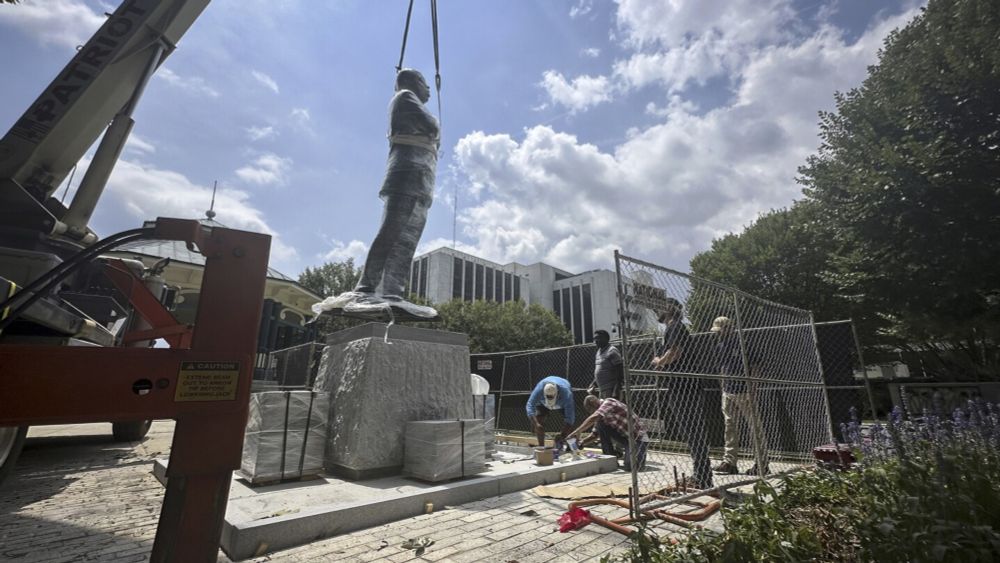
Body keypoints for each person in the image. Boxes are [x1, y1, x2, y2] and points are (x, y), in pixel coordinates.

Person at [352, 68, 440, 305]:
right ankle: (366, 288)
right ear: (414, 81)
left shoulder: (410, 99)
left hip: (421, 182)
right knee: (391, 233)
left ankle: (392, 292)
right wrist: (435, 130)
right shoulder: (404, 96)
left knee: (408, 240)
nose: (430, 90)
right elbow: (431, 125)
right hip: (405, 176)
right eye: (426, 84)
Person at [651, 298, 713, 488]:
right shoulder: (674, 328)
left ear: (668, 310)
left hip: (684, 387)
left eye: (659, 307)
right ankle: (702, 476)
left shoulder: (675, 327)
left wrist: (659, 362)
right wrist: (662, 361)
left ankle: (703, 478)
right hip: (684, 386)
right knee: (694, 433)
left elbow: (675, 352)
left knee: (694, 432)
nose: (656, 311)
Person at [709, 316, 769, 475]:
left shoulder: (744, 344)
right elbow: (721, 368)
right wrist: (723, 388)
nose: (718, 334)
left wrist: (753, 389)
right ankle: (729, 463)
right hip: (728, 391)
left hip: (744, 390)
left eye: (720, 330)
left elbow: (756, 365)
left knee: (754, 427)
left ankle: (761, 464)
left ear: (729, 328)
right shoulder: (720, 346)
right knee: (730, 427)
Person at [568, 395, 649, 471]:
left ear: (593, 402)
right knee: (601, 425)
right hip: (626, 439)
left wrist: (577, 431)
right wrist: (582, 443)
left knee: (631, 467)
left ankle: (636, 456)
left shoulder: (609, 402)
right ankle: (610, 458)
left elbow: (595, 416)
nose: (590, 412)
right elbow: (595, 435)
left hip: (638, 439)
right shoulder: (600, 416)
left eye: (590, 409)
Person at [525, 376, 576, 447]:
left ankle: (572, 447)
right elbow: (529, 406)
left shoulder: (566, 394)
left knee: (570, 427)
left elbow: (570, 418)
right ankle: (541, 447)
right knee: (538, 421)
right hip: (543, 402)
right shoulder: (539, 390)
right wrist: (536, 424)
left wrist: (562, 435)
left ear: (557, 392)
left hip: (561, 402)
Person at [588, 329, 623, 400]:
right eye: (595, 339)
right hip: (602, 389)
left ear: (606, 339)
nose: (596, 341)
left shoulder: (612, 351)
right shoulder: (599, 352)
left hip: (611, 389)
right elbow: (602, 368)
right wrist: (594, 383)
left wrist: (616, 388)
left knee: (611, 410)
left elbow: (620, 369)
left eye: (598, 338)